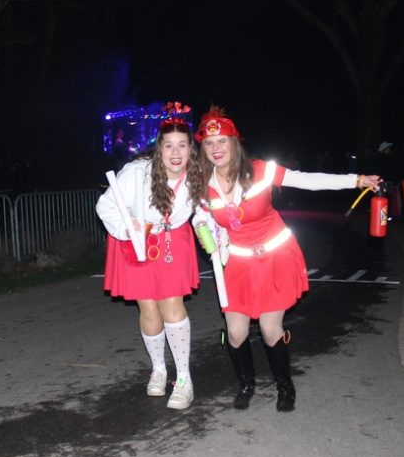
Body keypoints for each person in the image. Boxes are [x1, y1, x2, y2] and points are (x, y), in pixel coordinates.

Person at [196, 107, 381, 412]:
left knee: (270, 329)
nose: (216, 148)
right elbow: (198, 217)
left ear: (234, 143)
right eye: (209, 143)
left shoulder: (260, 170)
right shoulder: (202, 184)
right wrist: (204, 234)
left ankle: (285, 385)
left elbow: (308, 180)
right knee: (236, 333)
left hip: (275, 255)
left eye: (222, 141)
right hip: (239, 262)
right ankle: (246, 384)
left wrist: (356, 180)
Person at [95, 112, 205, 410]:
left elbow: (205, 210)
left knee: (172, 305)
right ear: (159, 148)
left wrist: (212, 233)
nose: (175, 152)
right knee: (149, 308)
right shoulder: (136, 172)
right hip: (137, 241)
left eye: (182, 145)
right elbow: (106, 205)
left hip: (173, 241)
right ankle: (158, 369)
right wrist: (126, 228)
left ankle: (184, 379)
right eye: (168, 145)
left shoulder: (197, 175)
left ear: (190, 149)